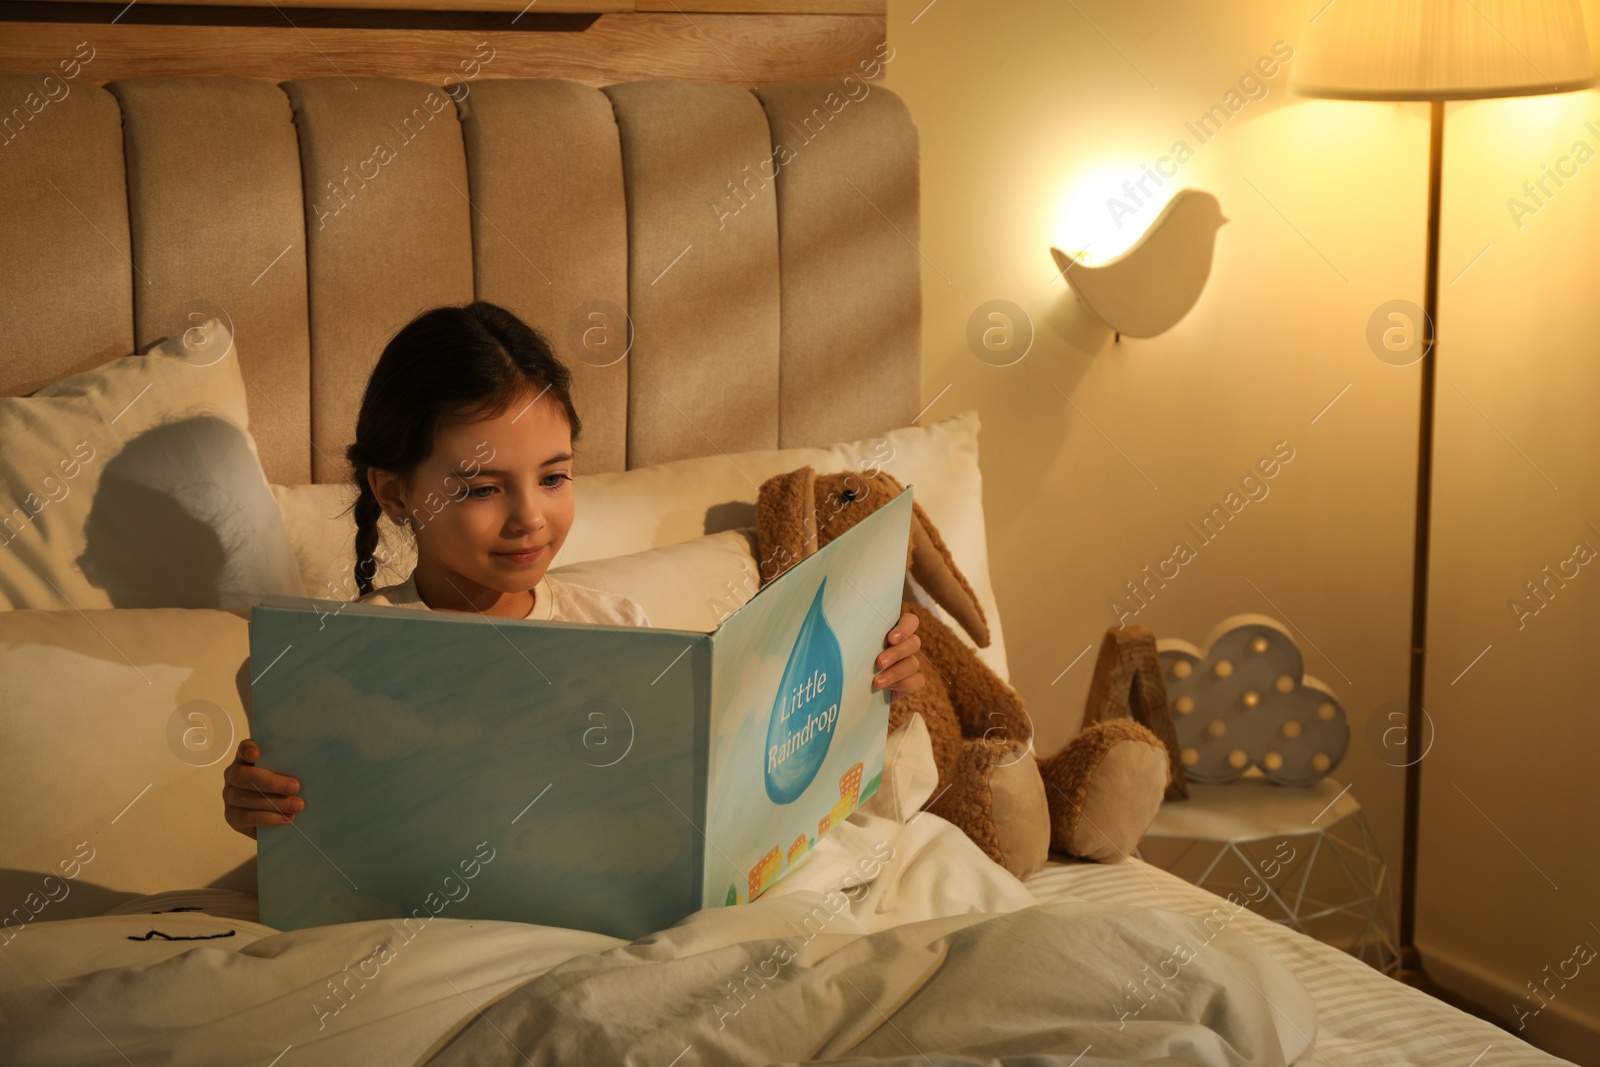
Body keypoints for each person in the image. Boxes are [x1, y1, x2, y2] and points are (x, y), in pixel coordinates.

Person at [223, 301, 925, 838]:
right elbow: (319, 839)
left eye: (553, 478)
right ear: (397, 492)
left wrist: (867, 687)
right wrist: (258, 808)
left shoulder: (621, 633)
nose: (529, 516)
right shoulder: (333, 661)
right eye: (479, 488)